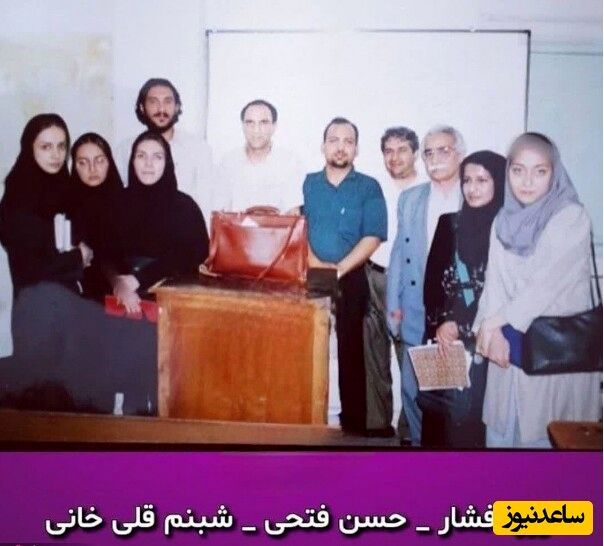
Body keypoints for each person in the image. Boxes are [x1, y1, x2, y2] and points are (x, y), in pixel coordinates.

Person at [0, 115, 155, 415]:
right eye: (46, 147)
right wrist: (76, 258)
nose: (56, 155)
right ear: (29, 148)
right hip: (38, 311)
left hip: (68, 309)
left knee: (74, 403)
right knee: (43, 407)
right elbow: (30, 266)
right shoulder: (18, 197)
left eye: (61, 146)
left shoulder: (64, 191)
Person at [474, 132, 602, 448]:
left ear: (554, 173)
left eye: (540, 171)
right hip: (508, 350)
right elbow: (494, 282)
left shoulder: (571, 217)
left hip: (554, 355)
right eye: (518, 170)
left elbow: (544, 286)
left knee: (545, 443)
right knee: (502, 443)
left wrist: (493, 323)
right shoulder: (503, 220)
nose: (527, 182)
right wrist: (492, 332)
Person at [303, 117, 387, 434]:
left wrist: (339, 269)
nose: (340, 147)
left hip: (352, 273)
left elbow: (373, 236)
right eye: (334, 140)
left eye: (348, 141)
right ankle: (308, 418)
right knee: (307, 345)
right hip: (311, 272)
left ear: (356, 149)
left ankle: (353, 422)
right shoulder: (309, 183)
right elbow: (300, 227)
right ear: (323, 146)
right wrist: (316, 264)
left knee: (352, 349)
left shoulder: (368, 186)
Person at [420, 150, 506, 448]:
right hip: (446, 340)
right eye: (467, 180)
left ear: (499, 183)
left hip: (485, 341)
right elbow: (432, 285)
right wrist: (443, 324)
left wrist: (463, 325)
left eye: (482, 180)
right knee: (440, 417)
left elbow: (502, 290)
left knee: (472, 423)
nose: (472, 188)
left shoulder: (507, 230)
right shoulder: (449, 224)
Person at [387, 125, 466, 446]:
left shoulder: (474, 195)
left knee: (453, 396)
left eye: (444, 150)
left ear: (460, 154)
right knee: (413, 390)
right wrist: (393, 308)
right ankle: (420, 453)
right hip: (415, 309)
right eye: (429, 152)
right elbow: (398, 255)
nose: (435, 158)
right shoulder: (411, 199)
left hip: (458, 314)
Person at [110, 131, 209, 314]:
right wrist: (118, 282)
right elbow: (103, 253)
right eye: (141, 156)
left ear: (167, 163)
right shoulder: (116, 202)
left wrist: (138, 279)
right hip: (120, 301)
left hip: (172, 303)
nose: (148, 164)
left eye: (157, 157)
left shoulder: (185, 207)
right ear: (132, 161)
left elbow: (195, 255)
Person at [364, 126, 421, 437]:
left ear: (415, 153)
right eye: (388, 151)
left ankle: (409, 430)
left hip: (406, 287)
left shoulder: (425, 191)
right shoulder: (375, 188)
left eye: (402, 150)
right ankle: (377, 426)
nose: (394, 157)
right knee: (373, 355)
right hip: (373, 276)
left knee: (408, 357)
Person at [116, 78, 213, 219]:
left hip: (184, 227)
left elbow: (205, 203)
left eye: (167, 102)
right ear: (142, 107)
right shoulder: (125, 149)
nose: (161, 109)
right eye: (153, 102)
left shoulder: (198, 149)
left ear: (177, 107)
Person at [214, 99, 305, 213]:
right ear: (243, 126)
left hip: (277, 225)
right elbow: (220, 211)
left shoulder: (289, 162)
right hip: (235, 225)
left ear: (274, 126)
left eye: (263, 122)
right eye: (250, 123)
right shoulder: (228, 162)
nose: (256, 130)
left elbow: (294, 213)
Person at [69, 132, 124, 302]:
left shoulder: (128, 204)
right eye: (83, 162)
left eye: (99, 161)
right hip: (80, 299)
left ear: (109, 162)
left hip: (126, 298)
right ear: (74, 167)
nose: (92, 169)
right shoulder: (65, 210)